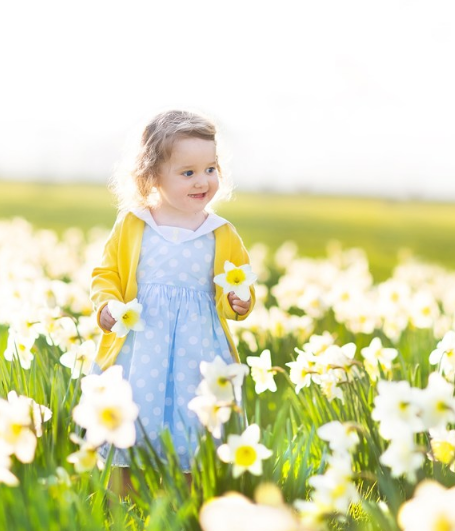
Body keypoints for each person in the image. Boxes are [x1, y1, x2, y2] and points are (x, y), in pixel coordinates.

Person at [89, 109, 255, 498]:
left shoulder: (222, 233)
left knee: (192, 426)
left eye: (210, 169)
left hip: (197, 351)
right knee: (129, 427)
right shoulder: (133, 224)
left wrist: (240, 303)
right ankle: (119, 505)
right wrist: (108, 305)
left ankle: (186, 505)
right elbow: (106, 274)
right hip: (139, 347)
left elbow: (239, 286)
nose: (203, 181)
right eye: (188, 172)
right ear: (152, 176)